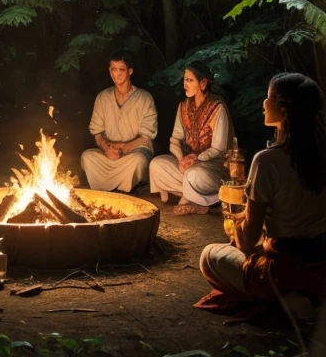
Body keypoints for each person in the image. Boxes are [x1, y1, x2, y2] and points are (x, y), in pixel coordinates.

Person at [198, 72, 326, 309]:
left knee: (209, 255)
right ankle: (302, 297)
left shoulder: (267, 160)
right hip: (320, 270)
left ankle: (284, 298)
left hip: (283, 270)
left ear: (284, 110)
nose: (263, 103)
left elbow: (247, 242)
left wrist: (236, 219)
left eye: (269, 98)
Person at [149, 60, 233, 215]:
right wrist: (182, 159)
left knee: (194, 175)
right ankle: (193, 196)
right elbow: (174, 140)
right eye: (184, 80)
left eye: (189, 80)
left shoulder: (217, 108)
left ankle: (192, 198)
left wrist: (195, 159)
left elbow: (219, 149)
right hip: (189, 165)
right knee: (156, 164)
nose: (185, 84)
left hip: (212, 167)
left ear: (203, 83)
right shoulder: (183, 107)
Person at [80, 50, 157, 193]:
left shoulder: (145, 98)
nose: (117, 74)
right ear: (109, 71)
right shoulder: (102, 97)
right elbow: (97, 133)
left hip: (134, 151)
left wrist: (123, 149)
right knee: (87, 156)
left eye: (121, 70)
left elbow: (147, 136)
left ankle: (123, 188)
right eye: (113, 69)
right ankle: (111, 187)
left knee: (138, 162)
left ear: (130, 71)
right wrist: (107, 149)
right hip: (109, 152)